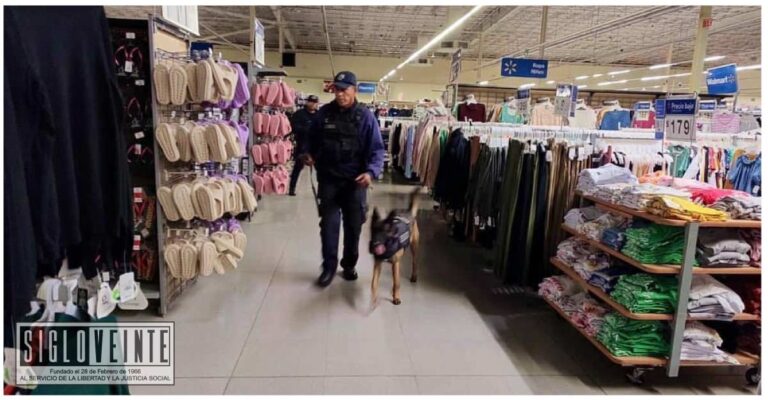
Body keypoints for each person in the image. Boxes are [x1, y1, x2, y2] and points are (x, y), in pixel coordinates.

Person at [300, 71, 384, 287]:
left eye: (345, 89)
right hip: (328, 180)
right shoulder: (324, 114)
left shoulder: (365, 116)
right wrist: (307, 153)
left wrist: (371, 172)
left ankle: (349, 265)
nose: (340, 94)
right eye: (337, 89)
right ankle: (328, 267)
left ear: (354, 90)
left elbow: (376, 149)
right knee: (329, 226)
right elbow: (310, 140)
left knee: (354, 227)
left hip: (355, 183)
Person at [288, 94, 319, 196]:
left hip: (316, 146)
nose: (313, 104)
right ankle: (292, 188)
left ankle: (321, 191)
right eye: (311, 101)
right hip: (302, 144)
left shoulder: (319, 115)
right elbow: (293, 127)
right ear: (307, 102)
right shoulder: (299, 114)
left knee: (320, 169)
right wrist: (306, 129)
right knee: (297, 167)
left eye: (315, 102)